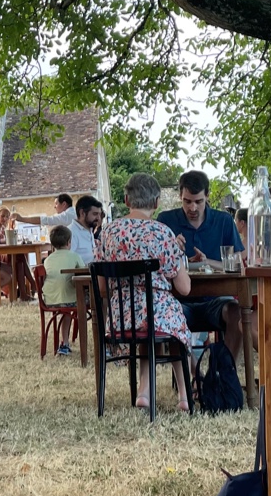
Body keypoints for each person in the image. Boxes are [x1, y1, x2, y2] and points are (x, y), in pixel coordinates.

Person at [93, 172, 193, 409]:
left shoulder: (107, 233)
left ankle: (144, 393)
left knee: (150, 325)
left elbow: (101, 287)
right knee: (175, 328)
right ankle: (185, 396)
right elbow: (184, 288)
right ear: (157, 203)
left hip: (120, 319)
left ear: (126, 200)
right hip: (157, 314)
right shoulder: (162, 233)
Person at [158, 170, 244, 361]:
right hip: (178, 301)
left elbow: (238, 265)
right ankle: (189, 375)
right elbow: (156, 267)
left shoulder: (224, 221)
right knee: (169, 311)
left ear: (207, 196)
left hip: (216, 299)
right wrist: (171, 249)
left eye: (198, 201)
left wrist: (207, 262)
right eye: (187, 201)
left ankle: (224, 370)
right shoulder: (165, 221)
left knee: (237, 312)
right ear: (180, 196)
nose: (193, 207)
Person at [41, 224, 83, 354]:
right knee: (73, 304)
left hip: (49, 300)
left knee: (66, 308)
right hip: (70, 300)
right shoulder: (74, 256)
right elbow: (83, 274)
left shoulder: (47, 259)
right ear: (69, 242)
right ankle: (66, 342)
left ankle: (64, 343)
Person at [67, 194, 104, 265]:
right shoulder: (71, 232)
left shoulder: (89, 229)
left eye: (99, 214)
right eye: (95, 214)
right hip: (81, 272)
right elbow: (68, 262)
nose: (98, 218)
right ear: (82, 213)